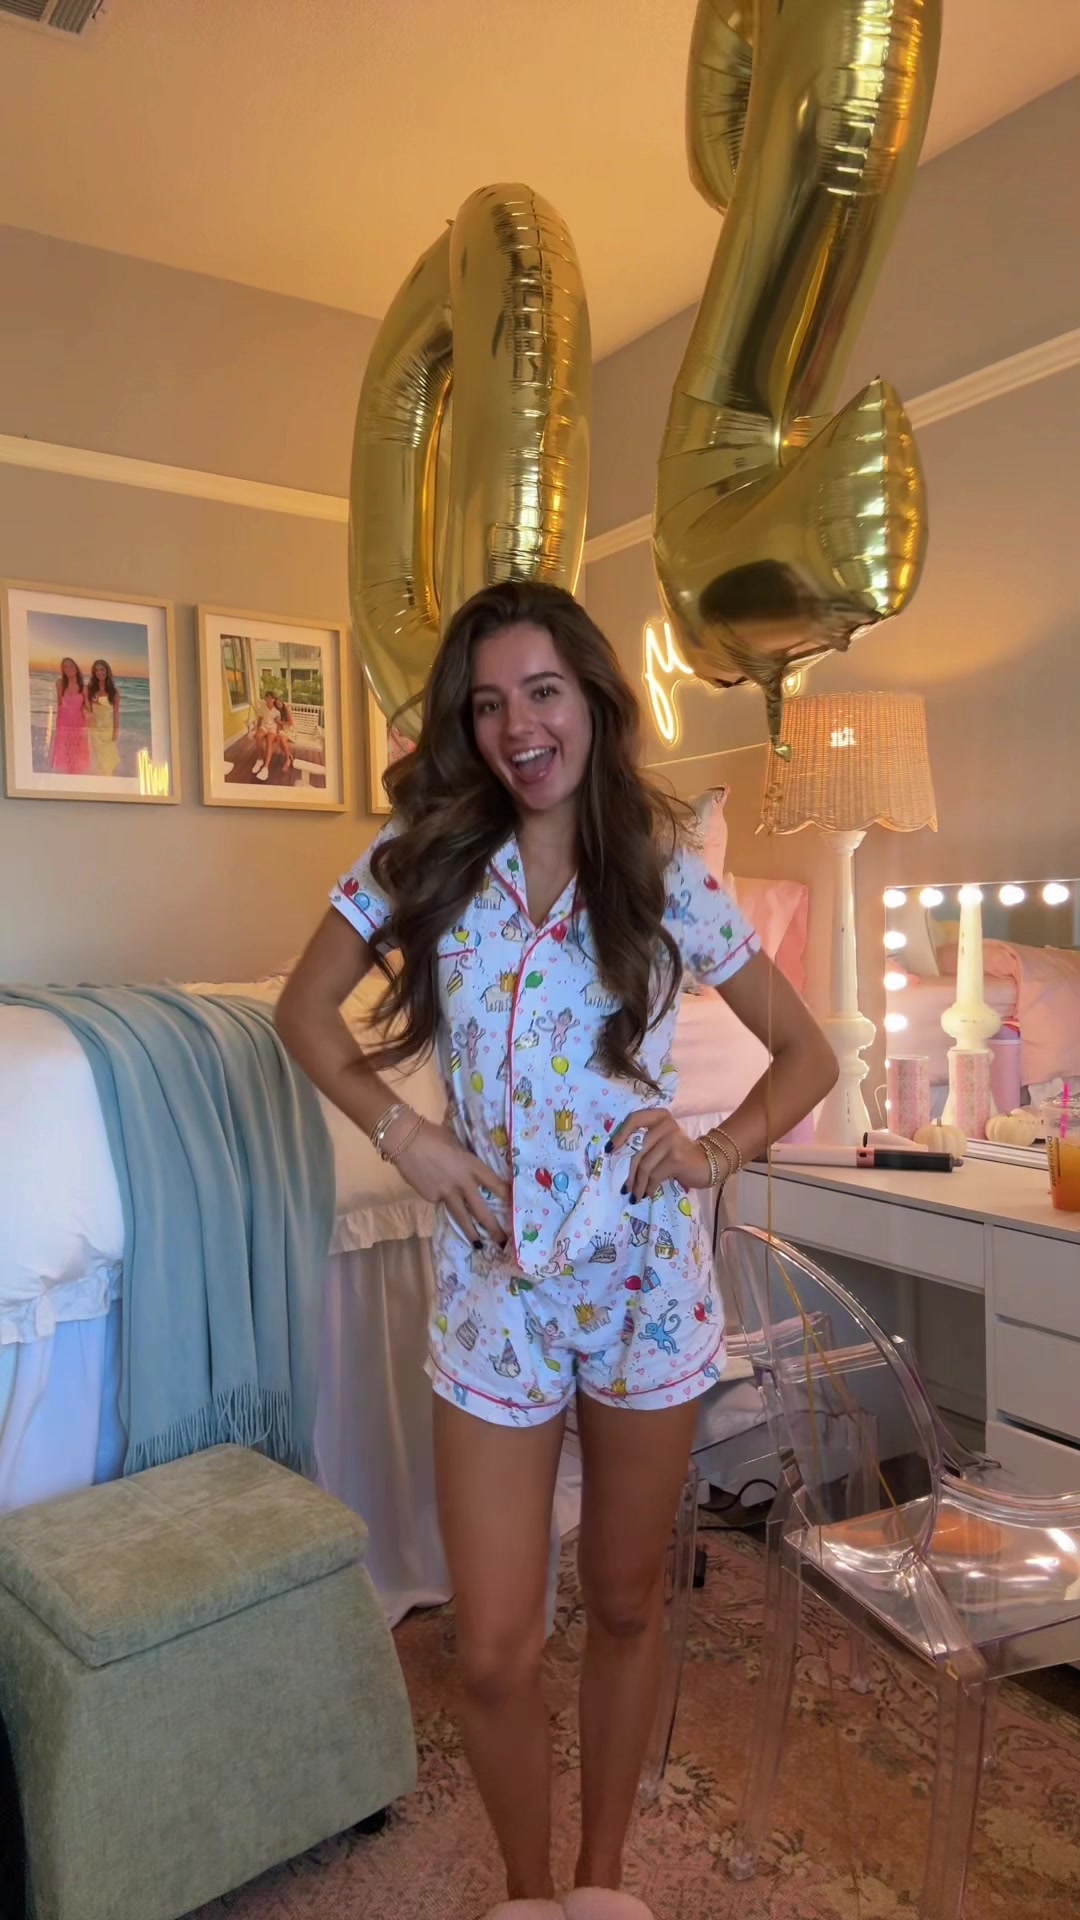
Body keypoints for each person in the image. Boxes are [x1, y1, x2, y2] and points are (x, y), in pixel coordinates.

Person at [276, 581, 837, 1920]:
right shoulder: (423, 857)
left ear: (591, 698)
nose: (518, 726)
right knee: (489, 1647)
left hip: (645, 1286)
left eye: (542, 692)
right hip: (495, 1293)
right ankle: (526, 1893)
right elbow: (303, 1013)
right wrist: (407, 1137)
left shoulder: (662, 872)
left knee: (629, 1601)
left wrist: (711, 1151)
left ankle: (599, 1884)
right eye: (487, 704)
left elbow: (809, 1055)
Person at [51, 657, 90, 775]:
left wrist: (88, 719)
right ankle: (67, 777)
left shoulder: (84, 688)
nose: (68, 669)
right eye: (65, 667)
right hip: (64, 723)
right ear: (63, 670)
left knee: (77, 753)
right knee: (65, 752)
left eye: (71, 666)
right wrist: (57, 724)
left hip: (78, 723)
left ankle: (75, 777)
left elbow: (87, 708)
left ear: (76, 668)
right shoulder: (60, 684)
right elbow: (59, 704)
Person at [86, 658, 121, 777]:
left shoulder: (114, 691)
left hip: (108, 729)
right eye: (97, 670)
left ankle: (108, 781)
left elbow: (116, 713)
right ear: (94, 673)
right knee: (99, 758)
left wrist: (116, 731)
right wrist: (88, 715)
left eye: (102, 669)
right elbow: (85, 707)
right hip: (94, 729)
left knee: (109, 759)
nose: (99, 672)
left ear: (107, 671)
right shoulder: (90, 690)